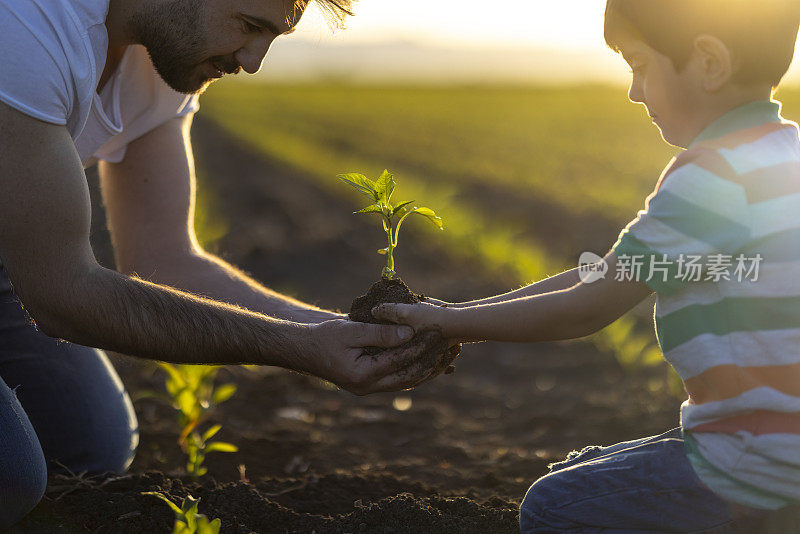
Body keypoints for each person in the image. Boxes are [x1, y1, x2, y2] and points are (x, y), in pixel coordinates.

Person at [0, 0, 454, 528]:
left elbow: (167, 259)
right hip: (39, 278)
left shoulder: (158, 63)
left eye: (272, 37)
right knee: (12, 475)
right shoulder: (26, 31)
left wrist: (340, 329)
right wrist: (299, 348)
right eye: (248, 26)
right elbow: (63, 297)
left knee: (89, 440)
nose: (254, 60)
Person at [373, 0, 800, 530]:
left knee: (553, 506)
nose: (633, 91)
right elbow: (600, 273)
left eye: (639, 66)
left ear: (710, 62)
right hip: (779, 439)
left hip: (758, 463)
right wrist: (453, 312)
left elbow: (586, 308)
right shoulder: (783, 152)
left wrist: (450, 322)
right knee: (581, 468)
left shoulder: (714, 175)